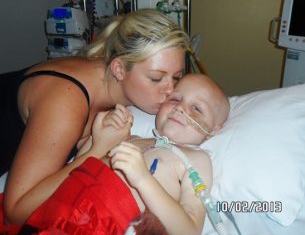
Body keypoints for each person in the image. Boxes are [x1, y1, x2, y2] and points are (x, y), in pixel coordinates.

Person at [0, 8, 189, 228]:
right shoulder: (65, 101)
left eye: (176, 77)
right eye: (157, 78)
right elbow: (16, 212)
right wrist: (97, 151)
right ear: (118, 69)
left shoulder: (109, 80)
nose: (170, 90)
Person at [20, 73, 230, 235]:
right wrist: (99, 138)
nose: (181, 109)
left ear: (215, 129)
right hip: (54, 212)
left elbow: (189, 230)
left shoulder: (195, 159)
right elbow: (80, 166)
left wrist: (143, 179)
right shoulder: (132, 138)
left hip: (103, 225)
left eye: (197, 109)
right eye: (175, 99)